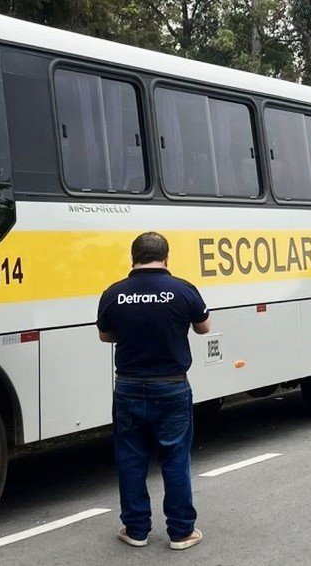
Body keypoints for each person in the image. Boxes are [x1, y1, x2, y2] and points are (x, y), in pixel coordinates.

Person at [97, 231, 212, 551]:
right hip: (172, 387)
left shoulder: (114, 293)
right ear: (166, 257)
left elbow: (105, 336)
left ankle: (135, 529)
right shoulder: (182, 289)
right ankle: (181, 532)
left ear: (132, 257)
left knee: (131, 459)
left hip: (129, 387)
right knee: (175, 458)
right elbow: (204, 328)